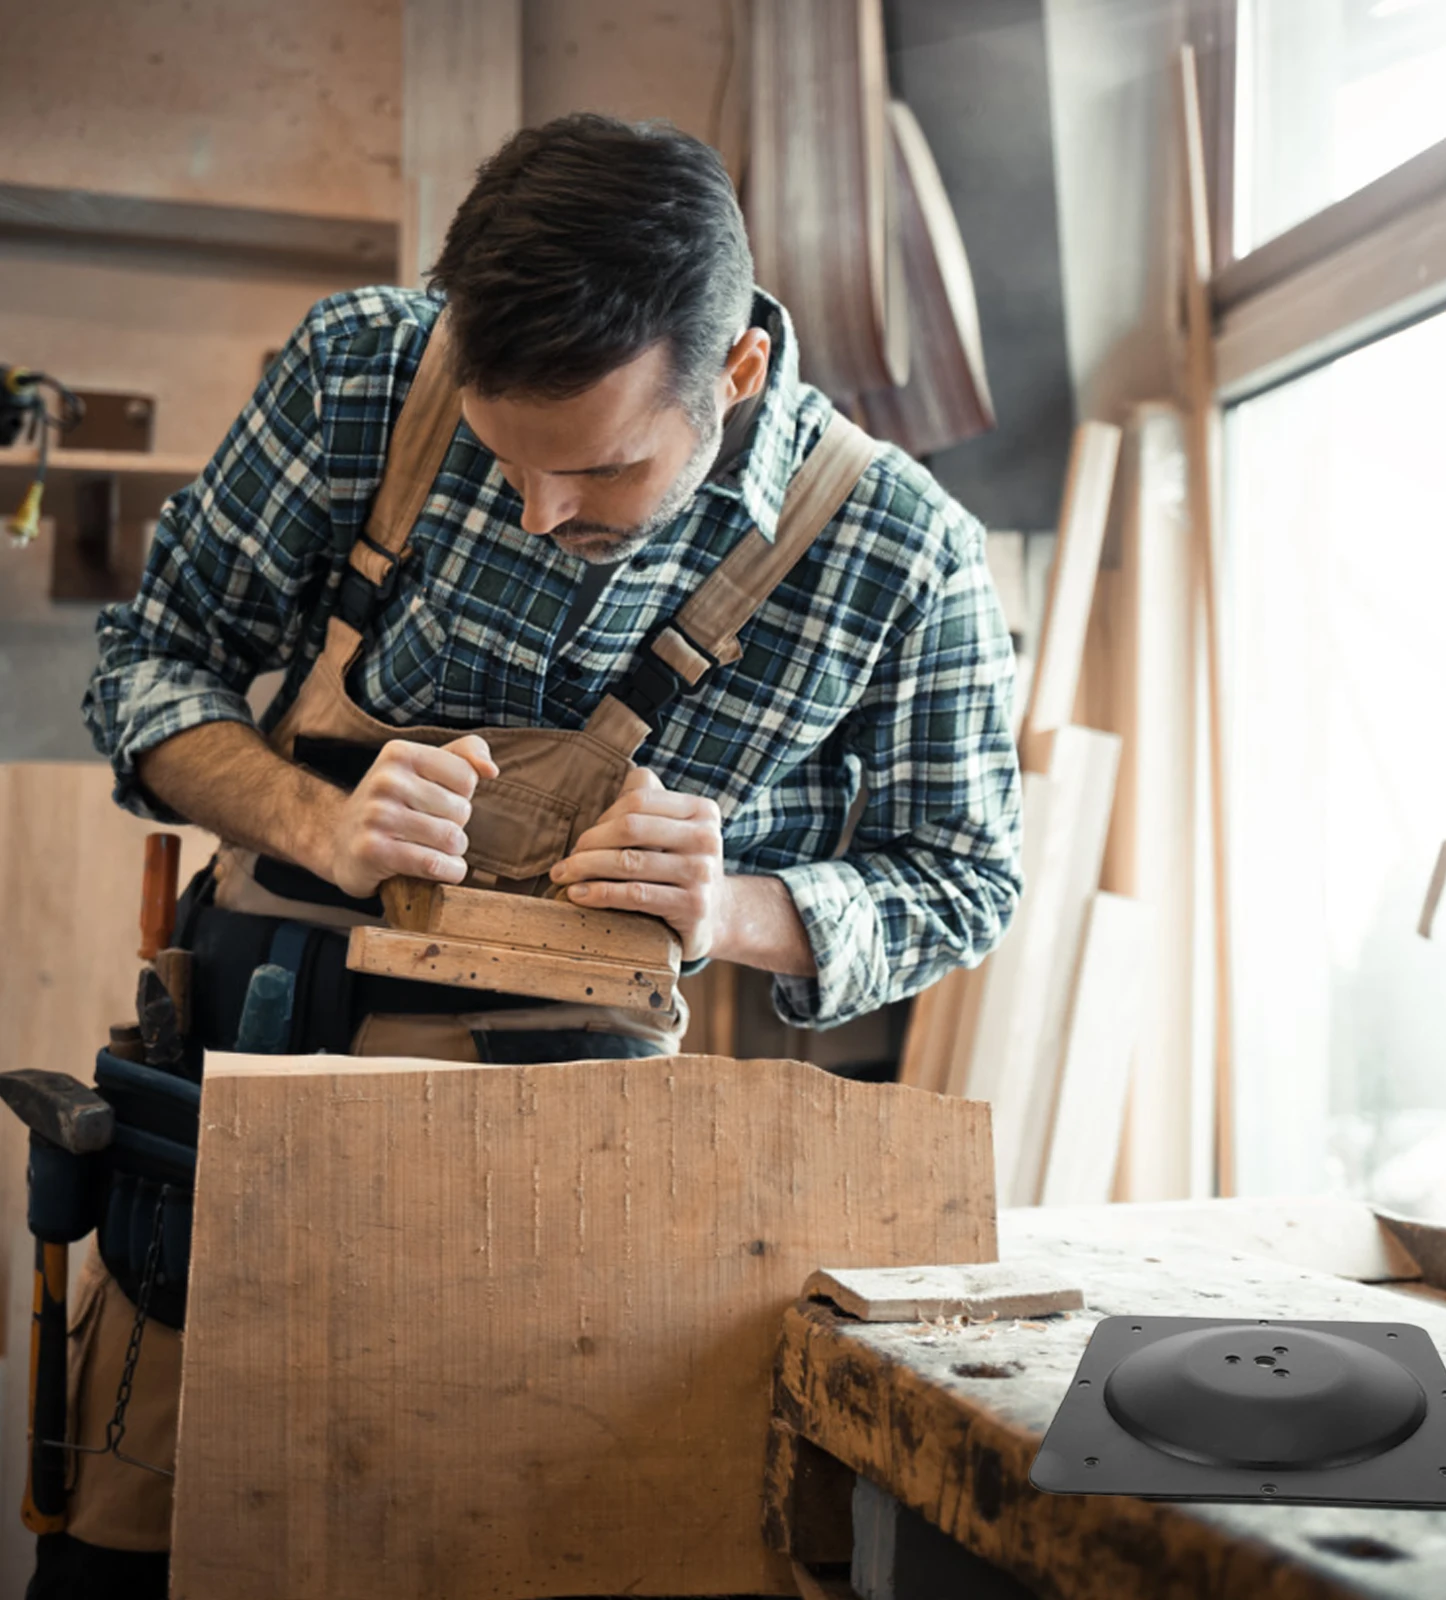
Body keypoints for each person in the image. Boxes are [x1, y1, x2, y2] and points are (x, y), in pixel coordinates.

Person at [42, 112, 1022, 1595]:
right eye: (504, 459)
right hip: (242, 1134)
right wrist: (318, 817)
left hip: (581, 1213)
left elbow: (967, 879)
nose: (538, 509)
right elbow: (146, 665)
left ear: (737, 371)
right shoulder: (362, 369)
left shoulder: (899, 549)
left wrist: (741, 907)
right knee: (141, 1564)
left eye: (605, 472)